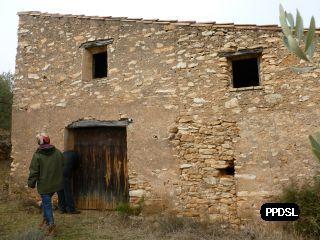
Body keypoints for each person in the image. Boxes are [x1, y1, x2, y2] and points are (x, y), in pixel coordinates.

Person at [27, 133, 64, 236]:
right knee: (45, 203)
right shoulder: (58, 152)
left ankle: (51, 225)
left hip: (45, 185)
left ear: (40, 142)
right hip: (56, 184)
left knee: (47, 205)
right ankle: (45, 220)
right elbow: (62, 164)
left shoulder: (38, 155)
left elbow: (34, 171)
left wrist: (31, 183)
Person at [58, 149, 81, 214]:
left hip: (57, 172)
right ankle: (71, 209)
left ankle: (62, 208)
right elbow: (76, 166)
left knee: (60, 190)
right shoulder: (76, 155)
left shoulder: (63, 154)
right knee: (67, 191)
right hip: (65, 173)